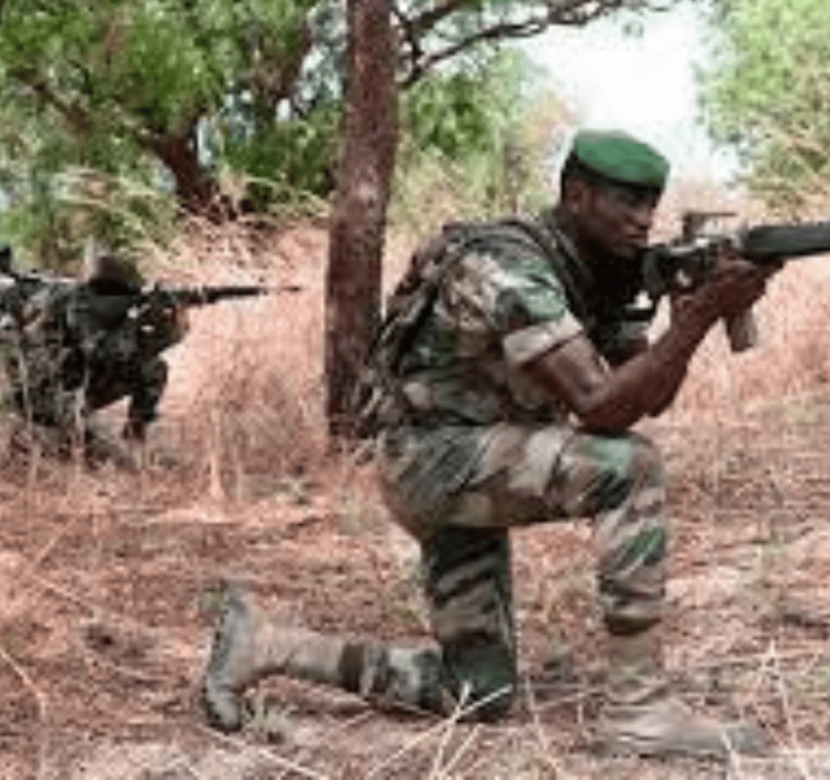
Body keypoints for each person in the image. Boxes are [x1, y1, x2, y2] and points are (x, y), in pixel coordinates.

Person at [202, 130, 777, 758]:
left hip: (467, 462)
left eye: (651, 204)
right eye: (628, 202)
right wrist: (695, 319)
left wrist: (682, 315)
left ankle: (267, 646)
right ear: (578, 195)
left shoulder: (591, 270)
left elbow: (644, 397)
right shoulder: (507, 266)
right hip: (434, 464)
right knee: (631, 468)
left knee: (477, 693)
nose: (643, 220)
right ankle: (639, 710)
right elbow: (600, 409)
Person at [0, 251, 182, 467]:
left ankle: (135, 436)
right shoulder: (66, 307)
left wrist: (166, 324)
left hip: (74, 387)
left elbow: (132, 354)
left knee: (153, 368)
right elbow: (97, 352)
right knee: (112, 460)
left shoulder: (87, 304)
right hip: (41, 398)